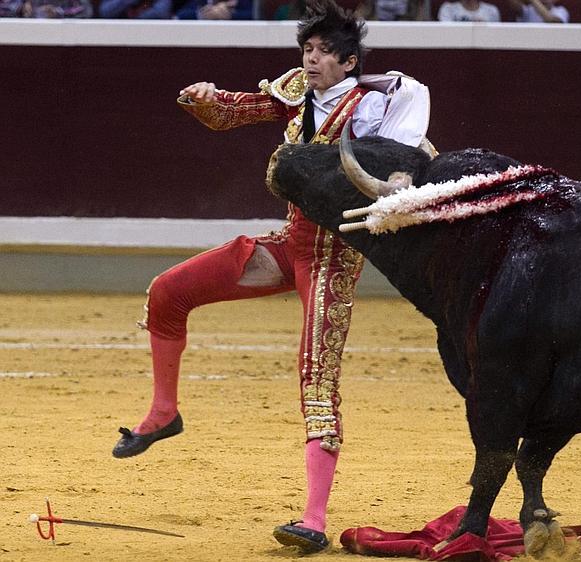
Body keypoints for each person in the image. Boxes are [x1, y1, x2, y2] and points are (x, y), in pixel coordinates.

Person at [111, 0, 431, 553]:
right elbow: (237, 111)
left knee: (316, 377)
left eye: (323, 52)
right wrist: (204, 102)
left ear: (348, 61)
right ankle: (163, 413)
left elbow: (404, 162)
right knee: (168, 290)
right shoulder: (296, 91)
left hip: (334, 255)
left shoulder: (375, 105)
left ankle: (313, 518)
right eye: (307, 49)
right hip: (291, 246)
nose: (310, 59)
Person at [173, 0, 252, 20]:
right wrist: (203, 14)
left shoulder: (245, 2)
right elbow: (179, 16)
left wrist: (231, 15)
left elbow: (257, 16)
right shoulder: (202, 1)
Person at [1, 0, 91, 16]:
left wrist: (59, 12)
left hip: (61, 33)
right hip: (24, 34)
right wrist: (20, 8)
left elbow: (86, 9)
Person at [99, 0, 171, 18]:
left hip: (151, 32)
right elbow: (105, 11)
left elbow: (162, 12)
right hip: (118, 32)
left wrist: (137, 13)